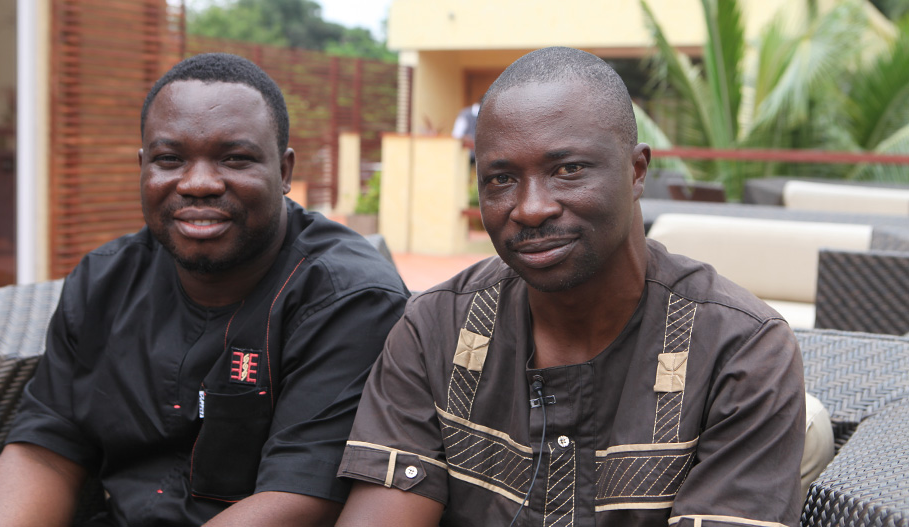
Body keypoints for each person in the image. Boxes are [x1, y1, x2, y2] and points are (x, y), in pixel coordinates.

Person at [336, 47, 807, 527]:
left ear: (637, 170)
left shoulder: (740, 351)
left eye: (568, 170)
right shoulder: (436, 328)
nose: (531, 208)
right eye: (501, 179)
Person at [0, 53, 409, 527]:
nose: (198, 183)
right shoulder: (104, 282)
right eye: (170, 159)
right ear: (143, 168)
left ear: (284, 172)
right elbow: (44, 453)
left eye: (235, 158)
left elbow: (302, 497)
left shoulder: (348, 299)